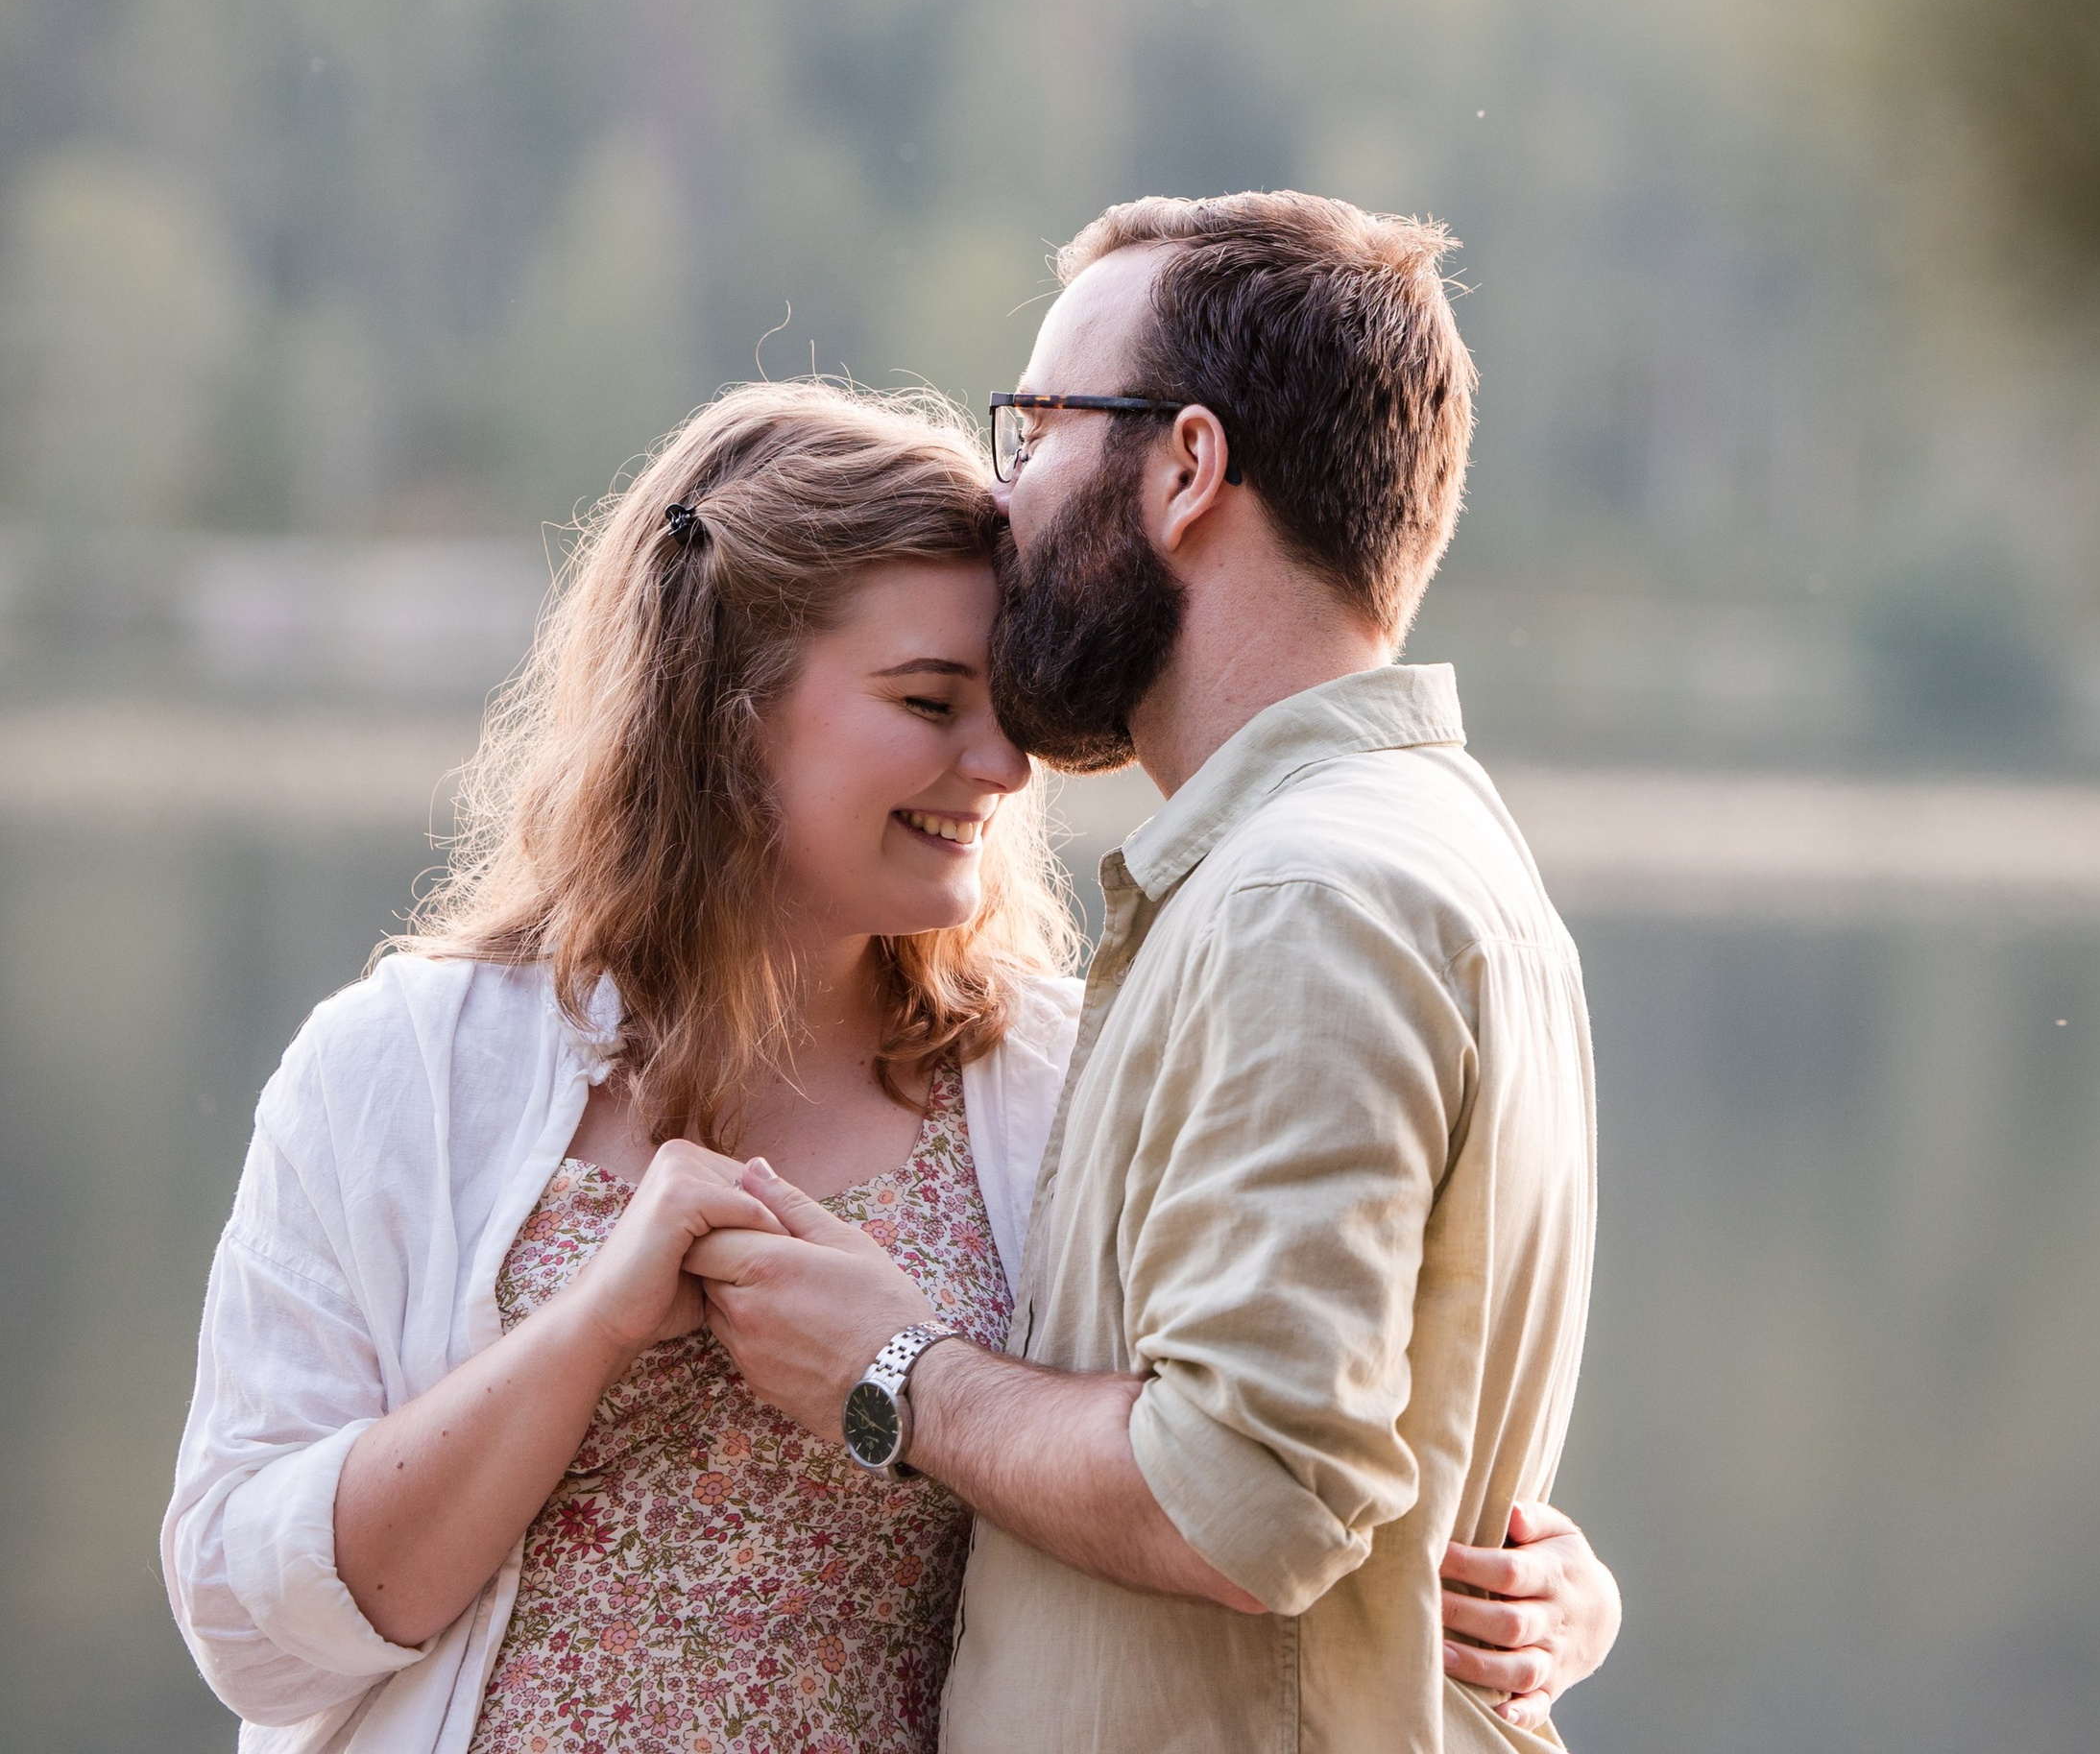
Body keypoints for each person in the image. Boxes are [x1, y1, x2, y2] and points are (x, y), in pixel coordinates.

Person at [162, 373, 1613, 1753]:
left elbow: (1255, 1454)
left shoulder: (1058, 1078)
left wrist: (1555, 1595)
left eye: (1007, 706)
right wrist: (590, 1326)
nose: (1001, 768)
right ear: (721, 709)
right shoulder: (403, 1071)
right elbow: (249, 1619)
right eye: (928, 702)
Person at [683, 193, 1610, 1751]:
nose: (1004, 497)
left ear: (1185, 468)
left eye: (1036, 428)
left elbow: (1247, 1495)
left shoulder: (1305, 898)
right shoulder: (1419, 852)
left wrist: (893, 1370)